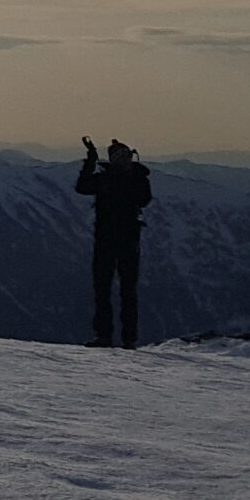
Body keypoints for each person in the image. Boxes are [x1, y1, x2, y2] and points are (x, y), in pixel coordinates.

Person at [75, 136, 153, 348]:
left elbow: (82, 187)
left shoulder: (110, 179)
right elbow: (82, 188)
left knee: (115, 290)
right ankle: (120, 338)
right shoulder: (128, 178)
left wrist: (91, 164)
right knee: (115, 290)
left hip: (112, 239)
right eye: (120, 157)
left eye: (125, 156)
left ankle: (118, 337)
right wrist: (92, 162)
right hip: (121, 240)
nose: (124, 160)